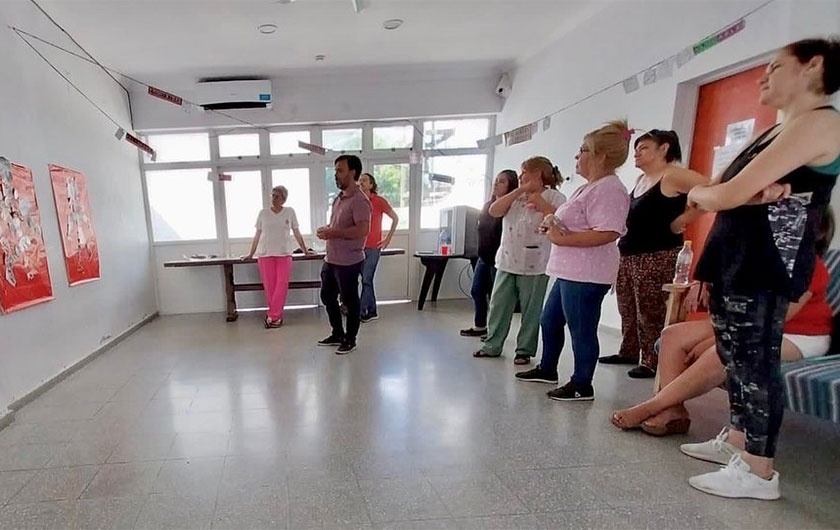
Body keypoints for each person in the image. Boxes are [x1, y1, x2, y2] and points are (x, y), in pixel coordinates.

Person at [682, 38, 840, 500]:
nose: (762, 76)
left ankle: (758, 470)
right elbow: (720, 184)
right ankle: (736, 440)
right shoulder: (778, 129)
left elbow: (722, 194)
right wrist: (721, 192)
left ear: (813, 67)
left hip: (770, 258)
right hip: (739, 253)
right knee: (733, 355)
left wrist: (716, 195)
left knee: (755, 360)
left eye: (774, 66)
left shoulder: (820, 123)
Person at [609, 229, 833, 435]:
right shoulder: (760, 257)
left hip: (798, 335)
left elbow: (775, 320)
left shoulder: (808, 265)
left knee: (722, 351)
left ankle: (653, 406)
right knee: (672, 335)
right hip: (745, 324)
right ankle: (674, 412)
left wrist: (714, 339)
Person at [516, 121, 632, 401]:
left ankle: (582, 383)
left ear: (600, 156)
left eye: (582, 151)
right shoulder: (588, 188)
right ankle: (547, 368)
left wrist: (561, 238)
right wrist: (553, 224)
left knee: (582, 329)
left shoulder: (610, 189)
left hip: (587, 274)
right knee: (549, 320)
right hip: (569, 270)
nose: (576, 157)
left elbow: (608, 231)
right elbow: (578, 223)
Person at [600, 130, 707, 378]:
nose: (636, 153)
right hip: (629, 253)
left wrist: (685, 218)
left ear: (664, 149)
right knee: (628, 307)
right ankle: (629, 350)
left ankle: (652, 359)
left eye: (644, 148)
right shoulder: (641, 179)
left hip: (657, 254)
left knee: (650, 310)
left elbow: (712, 189)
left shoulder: (674, 175)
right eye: (636, 149)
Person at [472, 157, 566, 365]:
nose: (522, 176)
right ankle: (492, 345)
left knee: (531, 309)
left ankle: (524, 350)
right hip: (506, 260)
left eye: (525, 172)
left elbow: (559, 218)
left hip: (536, 262)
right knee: (499, 305)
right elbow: (494, 211)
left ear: (538, 173)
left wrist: (538, 198)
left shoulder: (555, 197)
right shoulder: (515, 197)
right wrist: (519, 191)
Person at [316, 155, 371, 355]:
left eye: (340, 170)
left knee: (349, 301)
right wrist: (327, 230)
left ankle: (350, 339)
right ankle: (337, 333)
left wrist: (335, 232)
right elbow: (338, 226)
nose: (336, 175)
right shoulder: (339, 199)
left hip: (349, 261)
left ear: (352, 173)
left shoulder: (359, 200)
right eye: (335, 171)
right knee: (327, 296)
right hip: (331, 259)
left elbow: (362, 230)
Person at [460, 170, 518, 338]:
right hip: (483, 257)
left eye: (502, 181)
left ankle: (495, 331)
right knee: (477, 290)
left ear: (511, 186)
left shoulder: (511, 208)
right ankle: (480, 326)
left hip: (499, 259)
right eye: (496, 180)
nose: (496, 183)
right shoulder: (487, 206)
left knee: (497, 297)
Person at [244, 185, 312, 328]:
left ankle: (272, 315)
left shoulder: (289, 212)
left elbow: (296, 232)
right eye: (272, 195)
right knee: (270, 287)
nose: (273, 198)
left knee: (281, 285)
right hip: (265, 254)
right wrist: (250, 253)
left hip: (284, 254)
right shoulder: (263, 213)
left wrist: (305, 250)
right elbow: (257, 235)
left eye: (277, 196)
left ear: (284, 198)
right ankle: (276, 317)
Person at [358, 173, 399, 323]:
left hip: (374, 247)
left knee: (367, 279)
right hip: (358, 247)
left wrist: (387, 239)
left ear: (371, 184)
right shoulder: (357, 201)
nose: (361, 183)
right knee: (365, 280)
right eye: (360, 180)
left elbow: (395, 218)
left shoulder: (379, 201)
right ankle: (372, 310)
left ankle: (362, 311)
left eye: (364, 180)